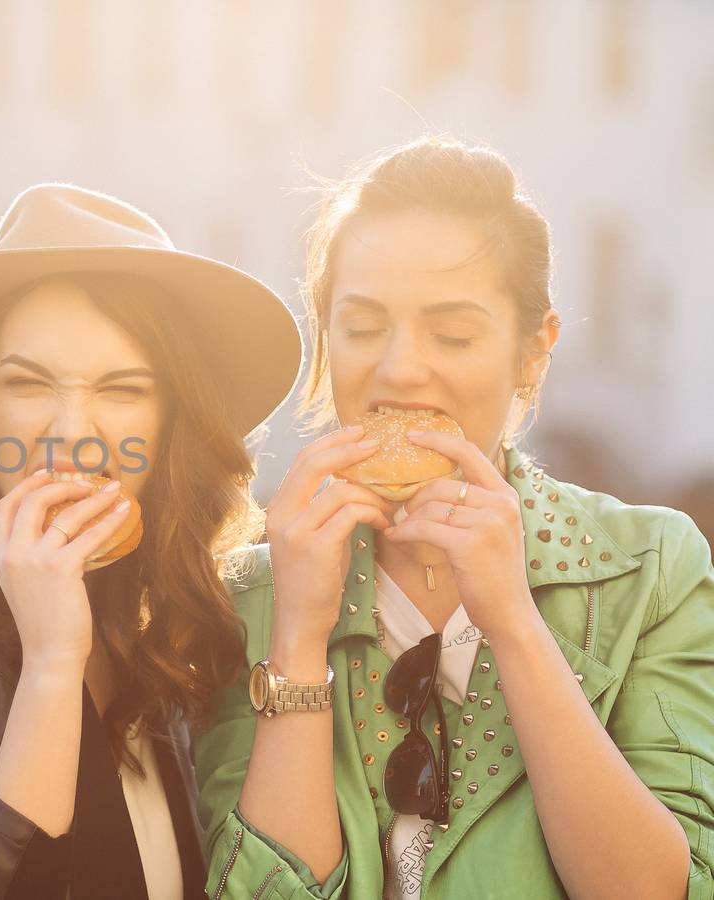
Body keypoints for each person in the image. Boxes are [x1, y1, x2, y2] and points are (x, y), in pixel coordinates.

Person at [193, 135, 714, 899]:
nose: (401, 368)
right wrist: (299, 635)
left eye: (454, 334)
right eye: (364, 327)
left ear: (534, 352)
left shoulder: (653, 569)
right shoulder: (246, 595)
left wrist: (513, 623)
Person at [0, 182, 303, 899]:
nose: (71, 433)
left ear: (170, 428)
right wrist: (51, 665)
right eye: (30, 385)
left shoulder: (158, 629)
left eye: (122, 390)